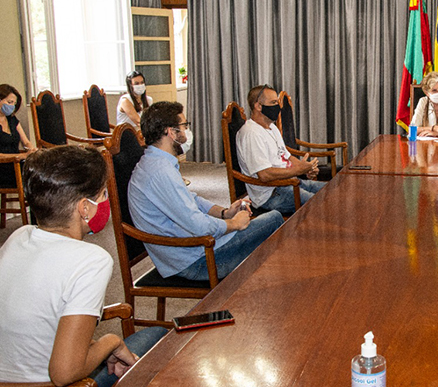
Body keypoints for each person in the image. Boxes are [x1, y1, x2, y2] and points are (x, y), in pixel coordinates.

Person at [0, 146, 167, 387]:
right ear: (84, 208)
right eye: (102, 194)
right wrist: (110, 342)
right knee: (159, 341)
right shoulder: (92, 261)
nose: (106, 201)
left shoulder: (19, 236)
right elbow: (65, 373)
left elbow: (41, 320)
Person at [128, 101, 283, 281]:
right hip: (196, 260)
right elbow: (198, 226)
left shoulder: (155, 162)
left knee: (264, 229)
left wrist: (224, 213)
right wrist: (233, 224)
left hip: (191, 249)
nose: (187, 131)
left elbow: (190, 199)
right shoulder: (161, 172)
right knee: (274, 220)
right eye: (184, 126)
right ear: (171, 132)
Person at [236, 84, 325, 215]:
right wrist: (298, 170)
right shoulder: (251, 134)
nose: (278, 107)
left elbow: (286, 156)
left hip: (288, 183)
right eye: (273, 103)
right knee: (323, 204)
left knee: (332, 190)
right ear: (258, 106)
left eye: (277, 102)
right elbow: (264, 175)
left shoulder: (272, 127)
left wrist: (306, 168)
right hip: (270, 194)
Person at [0, 84, 34, 188]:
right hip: (3, 168)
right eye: (9, 102)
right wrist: (21, 156)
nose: (12, 106)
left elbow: (26, 142)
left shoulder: (12, 120)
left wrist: (31, 150)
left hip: (17, 164)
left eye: (14, 104)